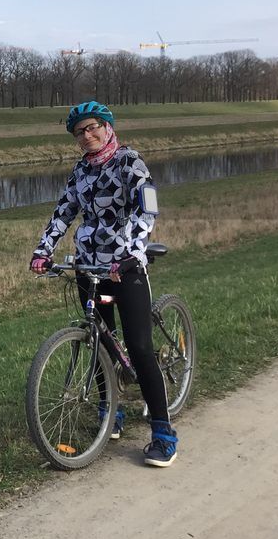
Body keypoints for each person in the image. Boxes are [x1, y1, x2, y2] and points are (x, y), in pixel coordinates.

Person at [28, 101, 178, 467]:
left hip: (124, 268)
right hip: (90, 268)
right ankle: (111, 413)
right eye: (80, 131)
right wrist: (43, 248)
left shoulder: (131, 162)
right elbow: (63, 212)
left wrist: (133, 250)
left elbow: (149, 208)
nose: (87, 135)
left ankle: (163, 431)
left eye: (93, 127)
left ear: (108, 127)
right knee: (100, 343)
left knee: (140, 348)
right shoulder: (80, 171)